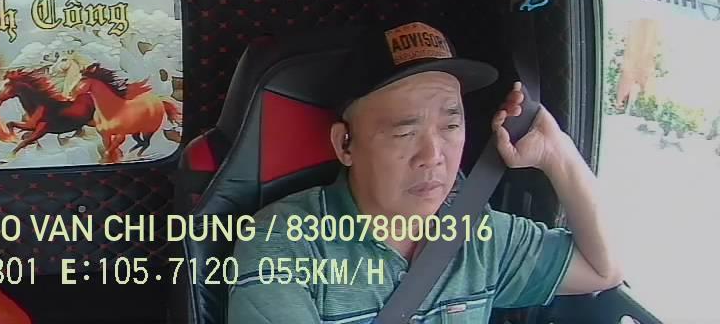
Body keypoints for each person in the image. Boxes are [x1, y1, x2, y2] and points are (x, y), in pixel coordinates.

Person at [228, 21, 622, 323]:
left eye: (451, 126)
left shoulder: (478, 235)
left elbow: (603, 270)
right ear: (345, 144)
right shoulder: (284, 243)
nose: (433, 155)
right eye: (405, 132)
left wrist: (558, 154)